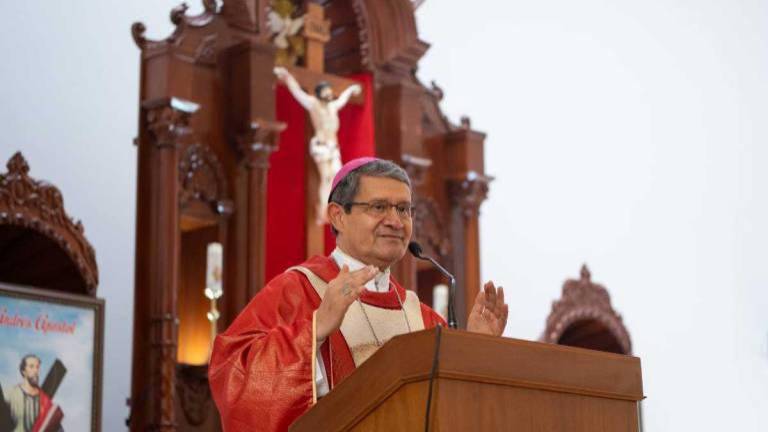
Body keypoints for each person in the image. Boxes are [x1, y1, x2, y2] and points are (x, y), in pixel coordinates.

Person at [209, 158, 508, 431]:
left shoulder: (422, 316)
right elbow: (233, 375)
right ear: (338, 216)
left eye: (403, 209)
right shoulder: (298, 290)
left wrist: (476, 352)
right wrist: (315, 330)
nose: (395, 220)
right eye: (379, 207)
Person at [273, 66, 362, 225]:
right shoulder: (313, 104)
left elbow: (342, 98)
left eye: (329, 91)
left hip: (333, 148)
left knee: (340, 178)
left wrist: (352, 89)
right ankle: (322, 211)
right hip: (321, 147)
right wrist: (287, 76)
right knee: (327, 178)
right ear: (319, 93)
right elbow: (297, 92)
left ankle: (337, 208)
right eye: (326, 91)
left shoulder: (332, 106)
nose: (329, 94)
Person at [5, 355, 52, 432]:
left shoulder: (45, 399)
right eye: (31, 367)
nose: (36, 370)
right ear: (23, 371)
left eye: (37, 367)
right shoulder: (10, 394)